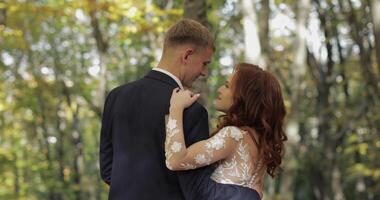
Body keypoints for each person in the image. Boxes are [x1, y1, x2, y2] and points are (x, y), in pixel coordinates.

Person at [100, 19, 259, 200]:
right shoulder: (192, 111)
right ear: (187, 55)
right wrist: (248, 194)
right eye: (204, 63)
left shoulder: (116, 96)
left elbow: (107, 170)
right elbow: (195, 190)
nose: (204, 73)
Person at [165, 63, 287, 199]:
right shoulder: (261, 141)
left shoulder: (233, 135)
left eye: (227, 86)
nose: (219, 89)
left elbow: (175, 161)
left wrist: (175, 108)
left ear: (245, 97)